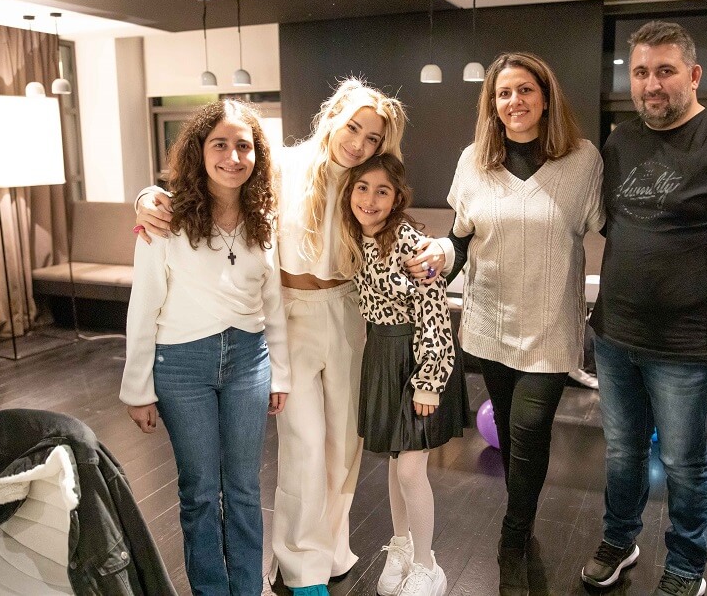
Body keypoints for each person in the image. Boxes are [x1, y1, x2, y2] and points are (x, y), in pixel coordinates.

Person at [134, 79, 408, 595]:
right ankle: (301, 568)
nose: (359, 143)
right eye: (353, 127)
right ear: (332, 116)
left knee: (344, 445)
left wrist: (439, 250)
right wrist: (147, 197)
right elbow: (216, 180)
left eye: (372, 137)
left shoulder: (368, 179)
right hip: (292, 311)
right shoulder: (281, 164)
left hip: (349, 310)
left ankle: (328, 549)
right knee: (303, 446)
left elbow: (404, 227)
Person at [580, 21, 707, 596]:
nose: (651, 84)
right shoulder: (620, 142)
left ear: (694, 75)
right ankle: (620, 540)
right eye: (641, 72)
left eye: (665, 71)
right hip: (615, 334)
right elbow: (616, 225)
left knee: (684, 462)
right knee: (622, 453)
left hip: (689, 345)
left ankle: (687, 566)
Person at [408, 52, 605, 595]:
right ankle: (521, 518)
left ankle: (513, 534)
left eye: (524, 90)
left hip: (550, 325)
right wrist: (439, 255)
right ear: (492, 104)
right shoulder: (475, 160)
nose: (514, 101)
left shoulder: (582, 160)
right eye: (503, 93)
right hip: (490, 322)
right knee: (516, 439)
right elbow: (460, 240)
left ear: (545, 97)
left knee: (529, 429)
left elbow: (609, 225)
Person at [120, 99, 291, 595]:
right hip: (181, 366)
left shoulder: (264, 218)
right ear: (199, 149)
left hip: (249, 362)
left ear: (257, 155)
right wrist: (138, 389)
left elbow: (273, 304)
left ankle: (248, 589)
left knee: (244, 489)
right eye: (220, 144)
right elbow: (143, 305)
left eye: (244, 146)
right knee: (199, 491)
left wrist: (279, 375)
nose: (233, 157)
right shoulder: (164, 218)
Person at [338, 154, 469, 596]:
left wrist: (429, 380)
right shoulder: (352, 236)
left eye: (382, 191)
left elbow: (434, 312)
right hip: (381, 355)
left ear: (396, 199)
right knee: (396, 465)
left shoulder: (411, 244)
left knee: (411, 470)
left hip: (418, 358)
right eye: (362, 188)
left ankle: (428, 566)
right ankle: (401, 545)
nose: (369, 199)